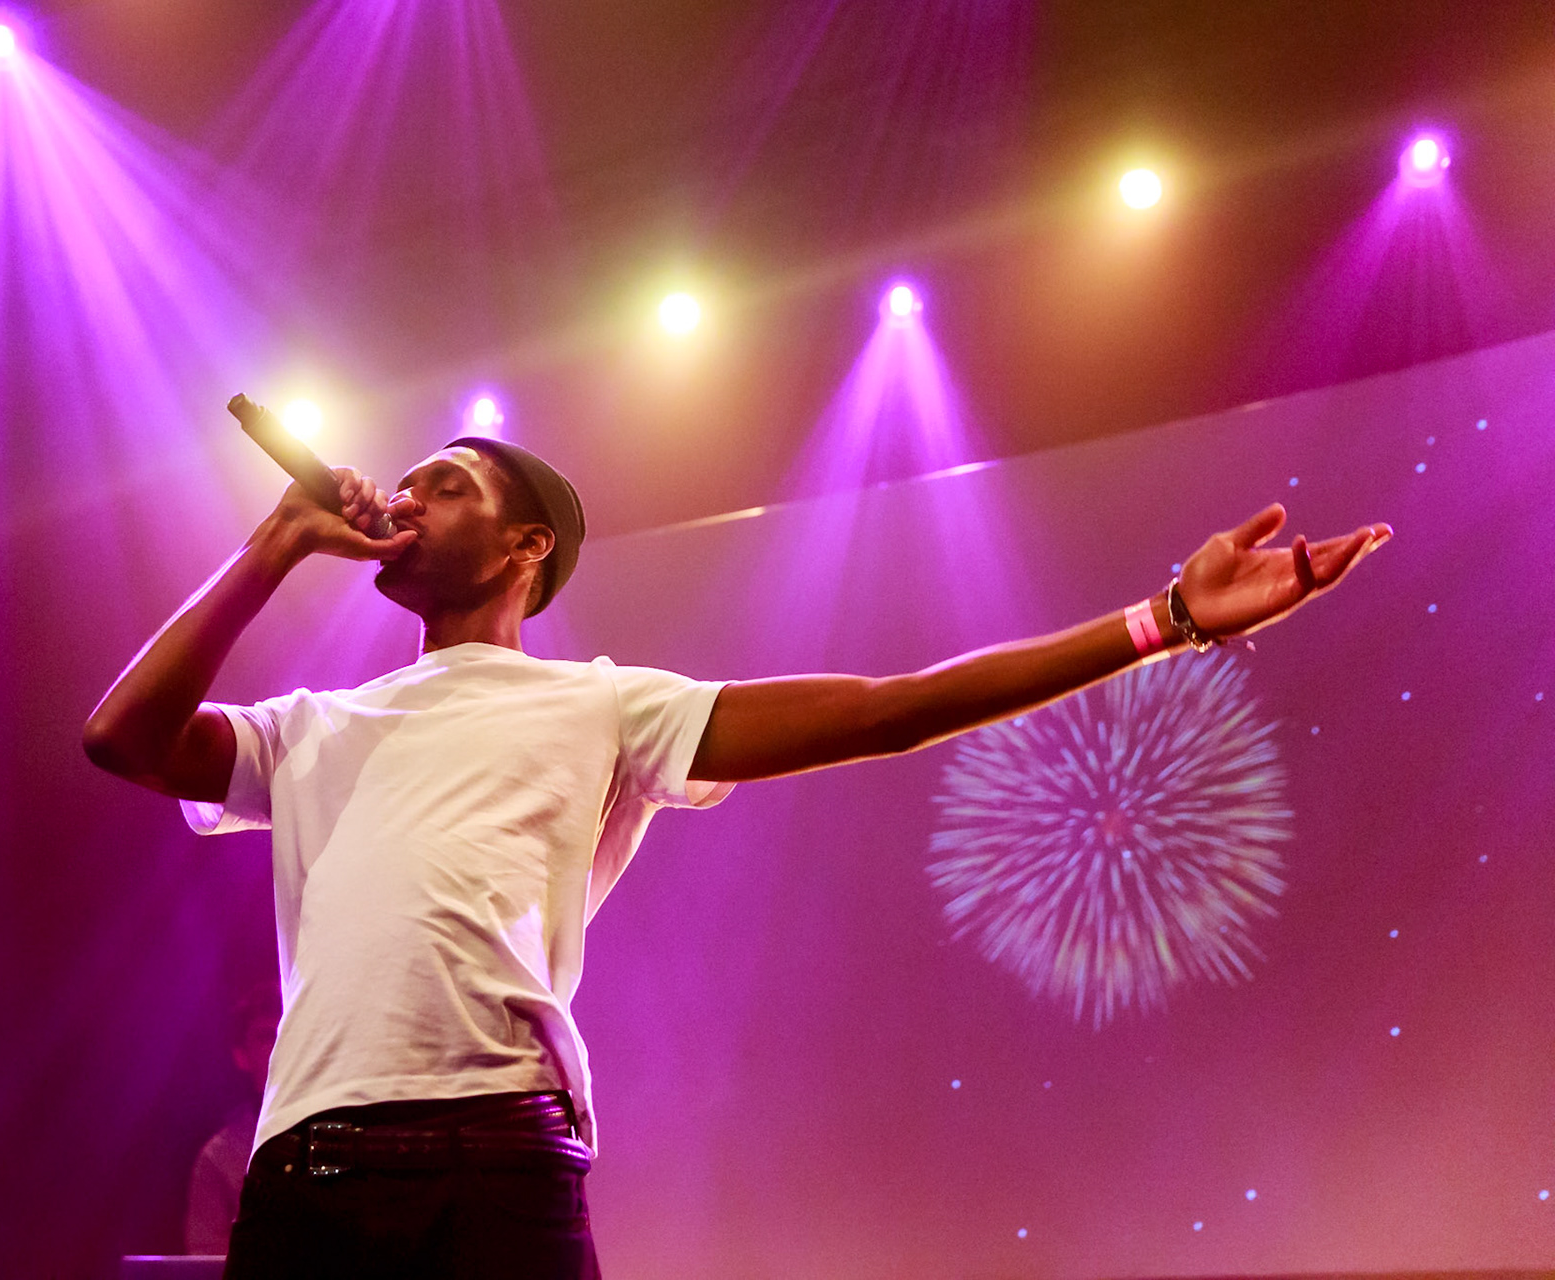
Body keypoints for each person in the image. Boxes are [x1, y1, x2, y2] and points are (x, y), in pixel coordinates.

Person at [83, 433, 1390, 1279]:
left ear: (529, 547)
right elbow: (121, 737)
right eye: (405, 480)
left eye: (445, 483)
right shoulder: (312, 728)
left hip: (497, 1165)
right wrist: (275, 546)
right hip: (307, 1169)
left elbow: (892, 707)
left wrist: (1163, 619)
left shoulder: (605, 705)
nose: (404, 495)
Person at [186, 981, 283, 1256]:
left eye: (285, 1034)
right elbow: (206, 1259)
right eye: (266, 1037)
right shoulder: (218, 1157)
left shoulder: (332, 1129)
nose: (279, 1048)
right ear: (241, 1056)